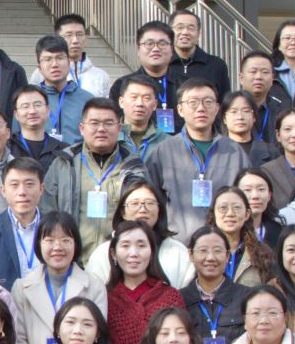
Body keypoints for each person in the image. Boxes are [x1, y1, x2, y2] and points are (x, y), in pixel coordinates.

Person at [147, 81, 247, 242]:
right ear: (180, 109)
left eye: (208, 102)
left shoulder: (234, 152)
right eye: (192, 102)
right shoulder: (164, 151)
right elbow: (151, 199)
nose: (201, 108)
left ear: (217, 108)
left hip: (224, 245)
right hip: (178, 245)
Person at [44, 98, 141, 257]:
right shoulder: (64, 164)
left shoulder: (133, 166)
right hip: (73, 259)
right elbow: (47, 210)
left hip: (120, 259)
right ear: (82, 128)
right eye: (94, 123)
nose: (101, 129)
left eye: (108, 123)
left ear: (119, 128)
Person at [11, 211, 107, 344]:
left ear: (76, 244)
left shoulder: (95, 286)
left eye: (65, 240)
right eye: (49, 240)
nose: (57, 247)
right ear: (38, 244)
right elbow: (18, 340)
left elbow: (98, 336)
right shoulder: (21, 288)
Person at [97, 222, 186, 344]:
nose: (133, 253)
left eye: (141, 245)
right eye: (125, 246)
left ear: (152, 252)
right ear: (113, 253)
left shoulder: (170, 297)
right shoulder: (103, 298)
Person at [86, 181, 192, 287]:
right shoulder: (103, 253)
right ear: (123, 212)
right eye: (134, 204)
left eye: (150, 203)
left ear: (159, 210)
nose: (142, 209)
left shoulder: (177, 251)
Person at [0, 156, 46, 289]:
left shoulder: (55, 229)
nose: (22, 192)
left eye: (29, 184)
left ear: (41, 188)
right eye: (14, 185)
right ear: (3, 190)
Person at [181, 226, 251, 344]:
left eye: (217, 251)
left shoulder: (247, 297)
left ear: (227, 256)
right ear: (191, 255)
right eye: (203, 251)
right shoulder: (179, 299)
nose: (210, 258)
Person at [30, 36, 96, 146]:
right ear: (39, 67)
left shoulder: (87, 100)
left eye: (60, 58)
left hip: (77, 156)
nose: (54, 64)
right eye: (48, 59)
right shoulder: (29, 100)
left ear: (69, 62)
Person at [166, 9, 231, 98]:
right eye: (180, 27)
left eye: (191, 28)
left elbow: (225, 101)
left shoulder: (217, 65)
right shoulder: (161, 64)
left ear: (198, 34)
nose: (185, 32)